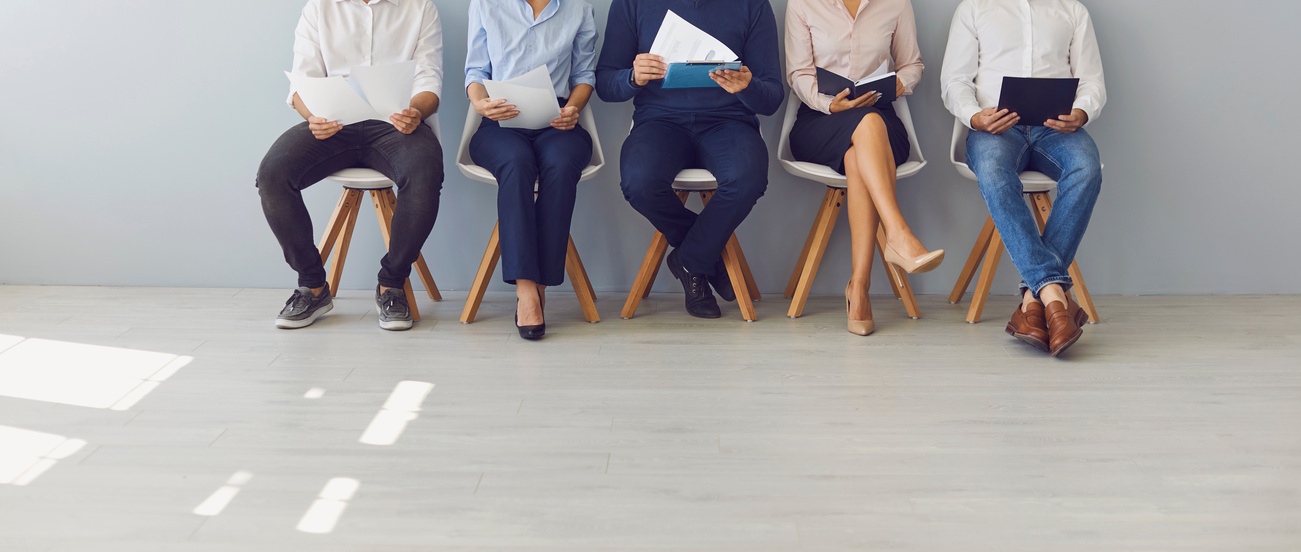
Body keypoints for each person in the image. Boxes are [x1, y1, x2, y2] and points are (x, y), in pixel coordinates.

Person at [256, 0, 444, 331]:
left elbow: (429, 76)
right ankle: (312, 286)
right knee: (272, 174)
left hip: (396, 123)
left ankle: (392, 284)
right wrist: (313, 117)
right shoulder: (319, 7)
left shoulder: (419, 6)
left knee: (426, 171)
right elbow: (301, 82)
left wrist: (415, 111)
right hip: (332, 123)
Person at [595, 0, 783, 319]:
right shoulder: (632, 3)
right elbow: (605, 84)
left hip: (729, 121)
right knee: (638, 181)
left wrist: (747, 87)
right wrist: (632, 77)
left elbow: (772, 97)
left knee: (747, 178)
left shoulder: (752, 5)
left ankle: (690, 260)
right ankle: (707, 258)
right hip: (659, 121)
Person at [940, 0, 1106, 356]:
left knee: (1087, 169)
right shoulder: (974, 8)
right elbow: (955, 80)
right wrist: (975, 116)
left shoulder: (1072, 10)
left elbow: (1092, 80)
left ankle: (1035, 299)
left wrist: (1081, 112)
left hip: (1055, 129)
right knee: (994, 174)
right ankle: (1054, 296)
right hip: (996, 129)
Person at [785, 0, 944, 336]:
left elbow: (912, 64)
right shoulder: (802, 3)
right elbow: (798, 73)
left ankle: (859, 287)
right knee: (864, 131)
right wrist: (830, 103)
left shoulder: (896, 3)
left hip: (881, 120)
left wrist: (899, 83)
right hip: (821, 118)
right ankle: (897, 235)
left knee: (860, 150)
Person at [464, 0, 598, 340]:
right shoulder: (485, 4)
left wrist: (573, 107)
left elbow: (584, 75)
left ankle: (541, 286)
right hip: (500, 122)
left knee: (562, 163)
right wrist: (480, 103)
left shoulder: (579, 7)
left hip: (557, 120)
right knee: (516, 161)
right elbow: (476, 72)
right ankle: (526, 290)